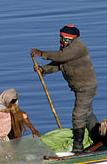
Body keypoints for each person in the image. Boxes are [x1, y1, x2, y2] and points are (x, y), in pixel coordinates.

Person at [31, 25, 98, 153]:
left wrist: (42, 54)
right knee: (87, 114)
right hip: (79, 88)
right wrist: (43, 69)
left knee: (78, 116)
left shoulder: (78, 47)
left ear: (70, 38)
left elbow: (61, 57)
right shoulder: (66, 49)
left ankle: (78, 148)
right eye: (61, 37)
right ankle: (98, 137)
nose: (61, 40)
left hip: (86, 87)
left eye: (63, 38)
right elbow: (59, 64)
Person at [0, 88, 41, 156]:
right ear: (6, 100)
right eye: (11, 103)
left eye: (13, 102)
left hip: (4, 137)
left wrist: (33, 130)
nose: (12, 105)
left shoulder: (13, 108)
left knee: (9, 155)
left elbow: (22, 117)